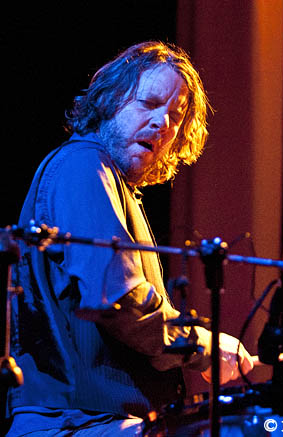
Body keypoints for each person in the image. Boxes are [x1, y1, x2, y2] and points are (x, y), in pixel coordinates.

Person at [6, 41, 254, 436]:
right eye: (149, 103)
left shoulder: (114, 184)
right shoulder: (84, 164)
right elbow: (120, 299)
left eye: (175, 116)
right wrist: (203, 347)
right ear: (109, 101)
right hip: (77, 423)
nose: (163, 123)